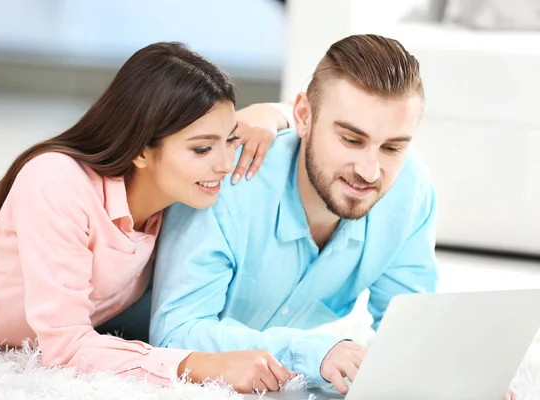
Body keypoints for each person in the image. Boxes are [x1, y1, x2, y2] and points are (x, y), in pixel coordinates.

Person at [0, 41, 297, 394]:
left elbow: (309, 112)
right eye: (203, 148)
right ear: (141, 150)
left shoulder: (180, 192)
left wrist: (267, 116)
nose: (224, 164)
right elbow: (65, 347)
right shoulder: (57, 182)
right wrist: (196, 364)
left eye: (230, 140)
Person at [150, 34, 439, 395]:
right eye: (351, 140)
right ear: (302, 116)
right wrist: (307, 353)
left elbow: (409, 326)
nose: (369, 171)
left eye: (393, 147)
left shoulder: (411, 192)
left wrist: (448, 374)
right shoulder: (226, 182)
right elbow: (174, 333)